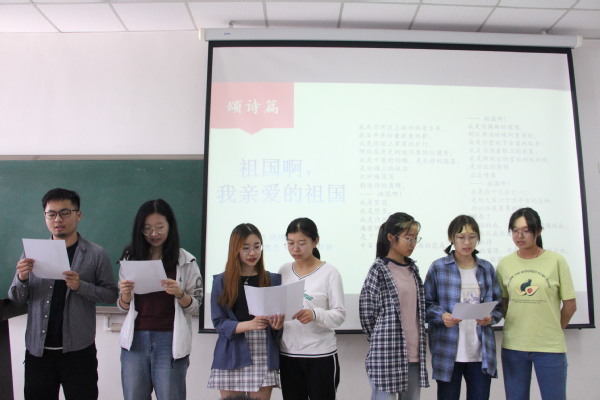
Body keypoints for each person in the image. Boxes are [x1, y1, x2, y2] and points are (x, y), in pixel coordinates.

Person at [7, 188, 118, 400]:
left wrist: (81, 286)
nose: (58, 219)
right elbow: (16, 299)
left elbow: (110, 295)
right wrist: (21, 278)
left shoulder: (95, 254)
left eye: (65, 213)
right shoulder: (31, 252)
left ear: (78, 215)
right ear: (45, 217)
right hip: (38, 352)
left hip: (78, 352)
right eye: (51, 214)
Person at [117, 199, 203, 400]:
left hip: (170, 340)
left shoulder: (186, 261)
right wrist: (125, 296)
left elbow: (197, 306)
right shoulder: (130, 258)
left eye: (159, 227)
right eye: (147, 229)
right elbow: (122, 307)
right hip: (135, 340)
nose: (153, 234)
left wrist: (180, 294)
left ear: (170, 226)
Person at [496, 207, 577, 400]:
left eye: (526, 231)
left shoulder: (556, 261)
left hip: (550, 347)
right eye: (515, 231)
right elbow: (504, 303)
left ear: (538, 231)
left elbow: (570, 305)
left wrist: (554, 329)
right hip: (514, 346)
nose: (519, 236)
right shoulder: (505, 264)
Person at [424, 215, 503, 400]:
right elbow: (425, 305)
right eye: (461, 237)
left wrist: (490, 318)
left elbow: (499, 305)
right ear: (452, 238)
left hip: (480, 353)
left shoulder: (486, 268)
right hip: (448, 352)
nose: (467, 242)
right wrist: (442, 316)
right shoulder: (438, 267)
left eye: (472, 237)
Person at [208, 223, 284, 400]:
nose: (252, 253)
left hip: (264, 350)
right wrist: (249, 325)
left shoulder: (272, 280)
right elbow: (219, 322)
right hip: (232, 351)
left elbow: (278, 325)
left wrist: (277, 326)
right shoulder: (222, 281)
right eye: (246, 248)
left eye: (257, 247)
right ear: (235, 249)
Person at [359, 212, 429, 400]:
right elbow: (367, 315)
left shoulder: (413, 269)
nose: (413, 243)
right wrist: (381, 339)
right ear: (391, 237)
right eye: (408, 238)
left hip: (414, 352)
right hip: (387, 353)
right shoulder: (379, 269)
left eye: (415, 238)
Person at [278, 217, 346, 400]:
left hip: (320, 355)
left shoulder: (330, 273)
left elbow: (339, 315)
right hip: (288, 354)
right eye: (290, 243)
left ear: (315, 241)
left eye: (302, 243)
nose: (295, 249)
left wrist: (315, 314)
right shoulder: (283, 271)